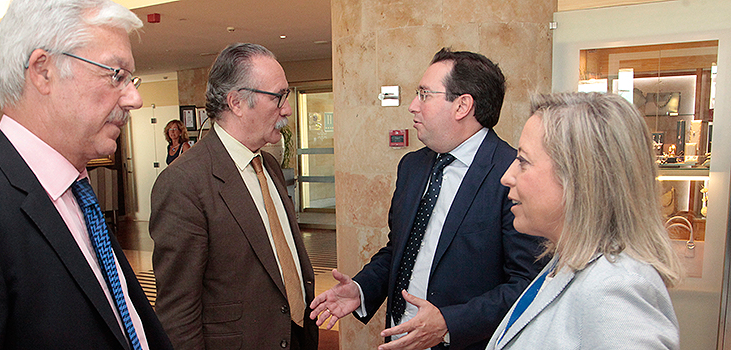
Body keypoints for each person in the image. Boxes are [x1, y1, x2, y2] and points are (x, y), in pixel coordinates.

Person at [0, 0, 173, 349]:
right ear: (43, 71)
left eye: (131, 79)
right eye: (116, 75)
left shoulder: (75, 192)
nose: (134, 98)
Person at [309, 48, 544, 350]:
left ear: (462, 105)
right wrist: (361, 289)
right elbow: (400, 250)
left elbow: (528, 284)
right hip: (399, 337)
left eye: (424, 94)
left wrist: (449, 324)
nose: (412, 106)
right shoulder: (412, 166)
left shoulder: (511, 174)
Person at [150, 43, 318, 349]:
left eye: (287, 96)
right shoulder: (184, 182)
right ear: (237, 102)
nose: (287, 109)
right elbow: (178, 313)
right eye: (278, 97)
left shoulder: (268, 165)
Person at [486, 92, 682, 349]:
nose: (507, 177)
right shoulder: (566, 260)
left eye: (523, 161)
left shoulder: (615, 289)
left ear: (578, 179)